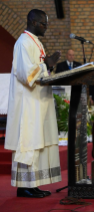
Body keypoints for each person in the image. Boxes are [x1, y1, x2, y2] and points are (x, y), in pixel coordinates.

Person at [4, 9, 62, 198]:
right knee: (29, 142)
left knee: (38, 142)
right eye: (44, 24)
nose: (46, 27)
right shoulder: (23, 43)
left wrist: (48, 67)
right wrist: (47, 65)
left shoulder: (35, 42)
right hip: (27, 104)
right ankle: (24, 186)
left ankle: (33, 183)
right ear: (34, 22)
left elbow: (40, 70)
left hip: (37, 101)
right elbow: (24, 72)